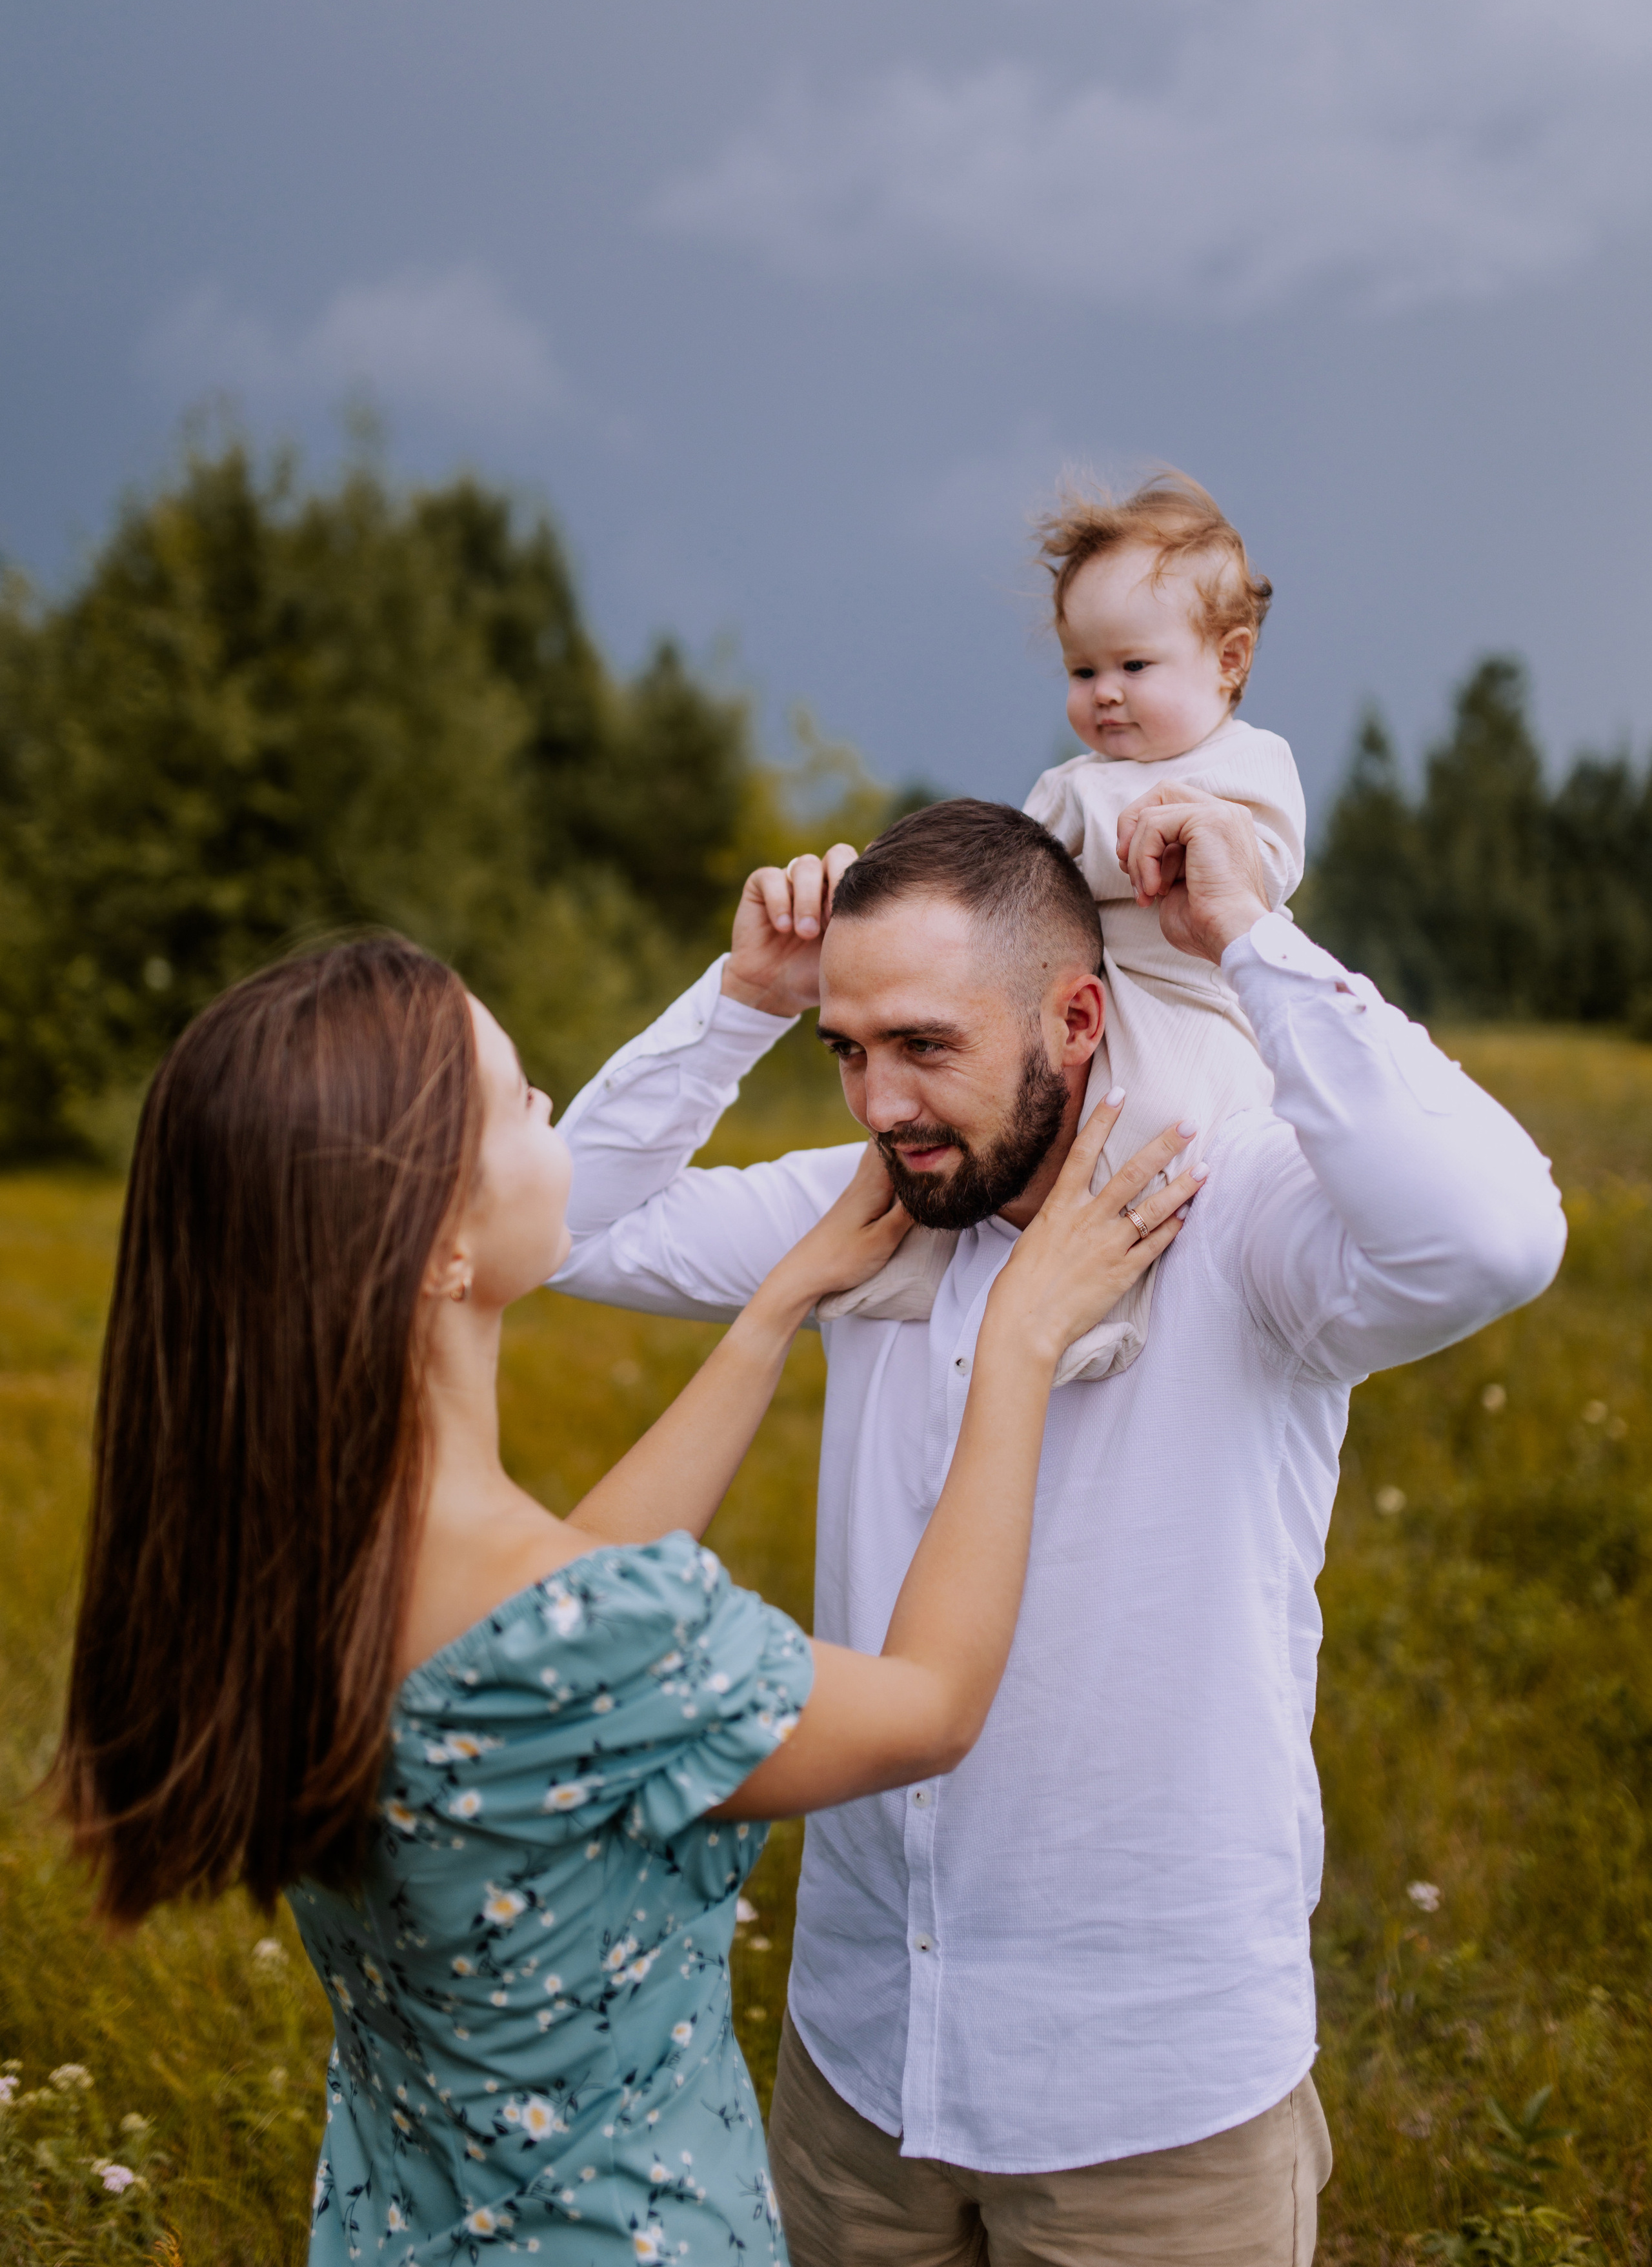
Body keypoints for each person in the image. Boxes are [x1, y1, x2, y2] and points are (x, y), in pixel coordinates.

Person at [52, 934, 1198, 2265]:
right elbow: (928, 1709)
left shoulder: (305, 1556)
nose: (555, 1119)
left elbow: (565, 1601)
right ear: (436, 1242)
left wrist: (775, 1309)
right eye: (524, 1099)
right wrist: (1017, 1341)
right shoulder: (588, 1639)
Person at [547, 791, 1567, 2264]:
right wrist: (739, 1004)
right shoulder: (874, 1212)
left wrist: (1249, 940)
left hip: (1150, 2113)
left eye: (925, 1046)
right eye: (847, 1049)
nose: (878, 1101)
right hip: (858, 2078)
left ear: (1076, 1019)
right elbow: (562, 1227)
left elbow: (1493, 1235)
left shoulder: (1237, 1215)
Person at [827, 469, 1306, 1387]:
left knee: (1152, 1129)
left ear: (1229, 660)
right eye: (1084, 672)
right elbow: (1017, 886)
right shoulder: (1076, 783)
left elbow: (1265, 866)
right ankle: (924, 1265)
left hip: (1192, 1006)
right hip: (1097, 1000)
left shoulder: (1248, 768)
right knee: (1026, 1130)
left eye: (1134, 666)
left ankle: (1099, 1315)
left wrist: (1184, 836)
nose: (1106, 695)